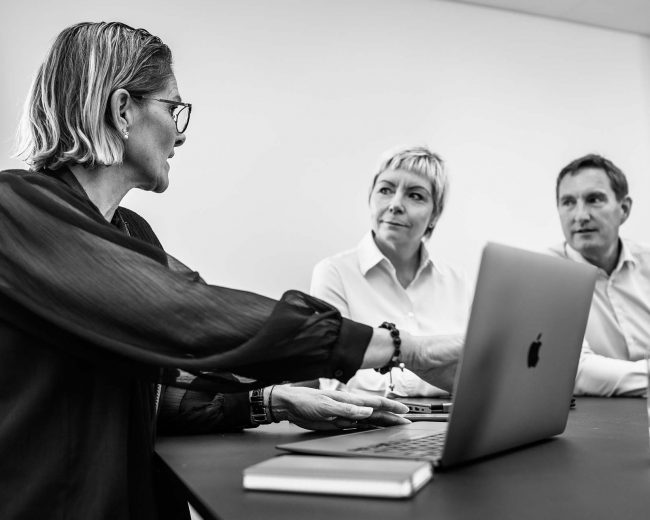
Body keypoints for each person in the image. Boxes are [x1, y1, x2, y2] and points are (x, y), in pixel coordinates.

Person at [0, 22, 463, 520]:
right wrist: (401, 348)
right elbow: (192, 314)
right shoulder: (13, 209)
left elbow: (150, 394)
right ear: (121, 110)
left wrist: (273, 402)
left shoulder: (130, 231)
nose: (181, 132)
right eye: (173, 108)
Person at [311, 146, 472, 397]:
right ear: (370, 199)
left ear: (435, 214)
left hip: (452, 423)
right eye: (385, 190)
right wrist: (437, 372)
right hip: (367, 428)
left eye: (415, 196)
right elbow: (336, 379)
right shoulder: (334, 273)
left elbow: (481, 372)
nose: (395, 204)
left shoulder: (460, 283)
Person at [551, 154, 649, 396]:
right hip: (592, 421)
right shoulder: (545, 274)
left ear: (623, 209)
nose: (580, 216)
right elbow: (574, 370)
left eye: (594, 199)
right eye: (568, 202)